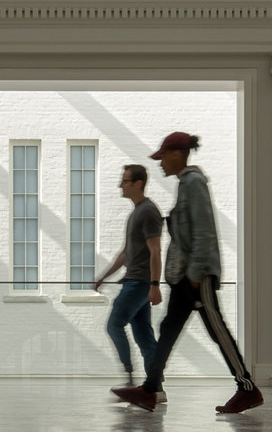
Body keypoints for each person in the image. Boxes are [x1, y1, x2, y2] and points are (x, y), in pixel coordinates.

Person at [113, 132, 262, 415]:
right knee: (167, 330)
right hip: (183, 277)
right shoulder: (184, 185)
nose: (160, 164)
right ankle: (149, 390)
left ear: (177, 154)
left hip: (197, 277)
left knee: (218, 331)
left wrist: (195, 275)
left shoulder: (194, 183)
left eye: (163, 157)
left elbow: (204, 231)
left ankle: (247, 388)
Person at [92, 163, 165, 404]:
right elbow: (125, 253)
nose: (120, 185)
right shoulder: (136, 212)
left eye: (124, 181)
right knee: (144, 335)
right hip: (136, 281)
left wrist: (155, 284)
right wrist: (104, 276)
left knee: (114, 325)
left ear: (138, 184)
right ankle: (156, 389)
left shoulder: (148, 211)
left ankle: (130, 377)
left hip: (139, 283)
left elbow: (156, 251)